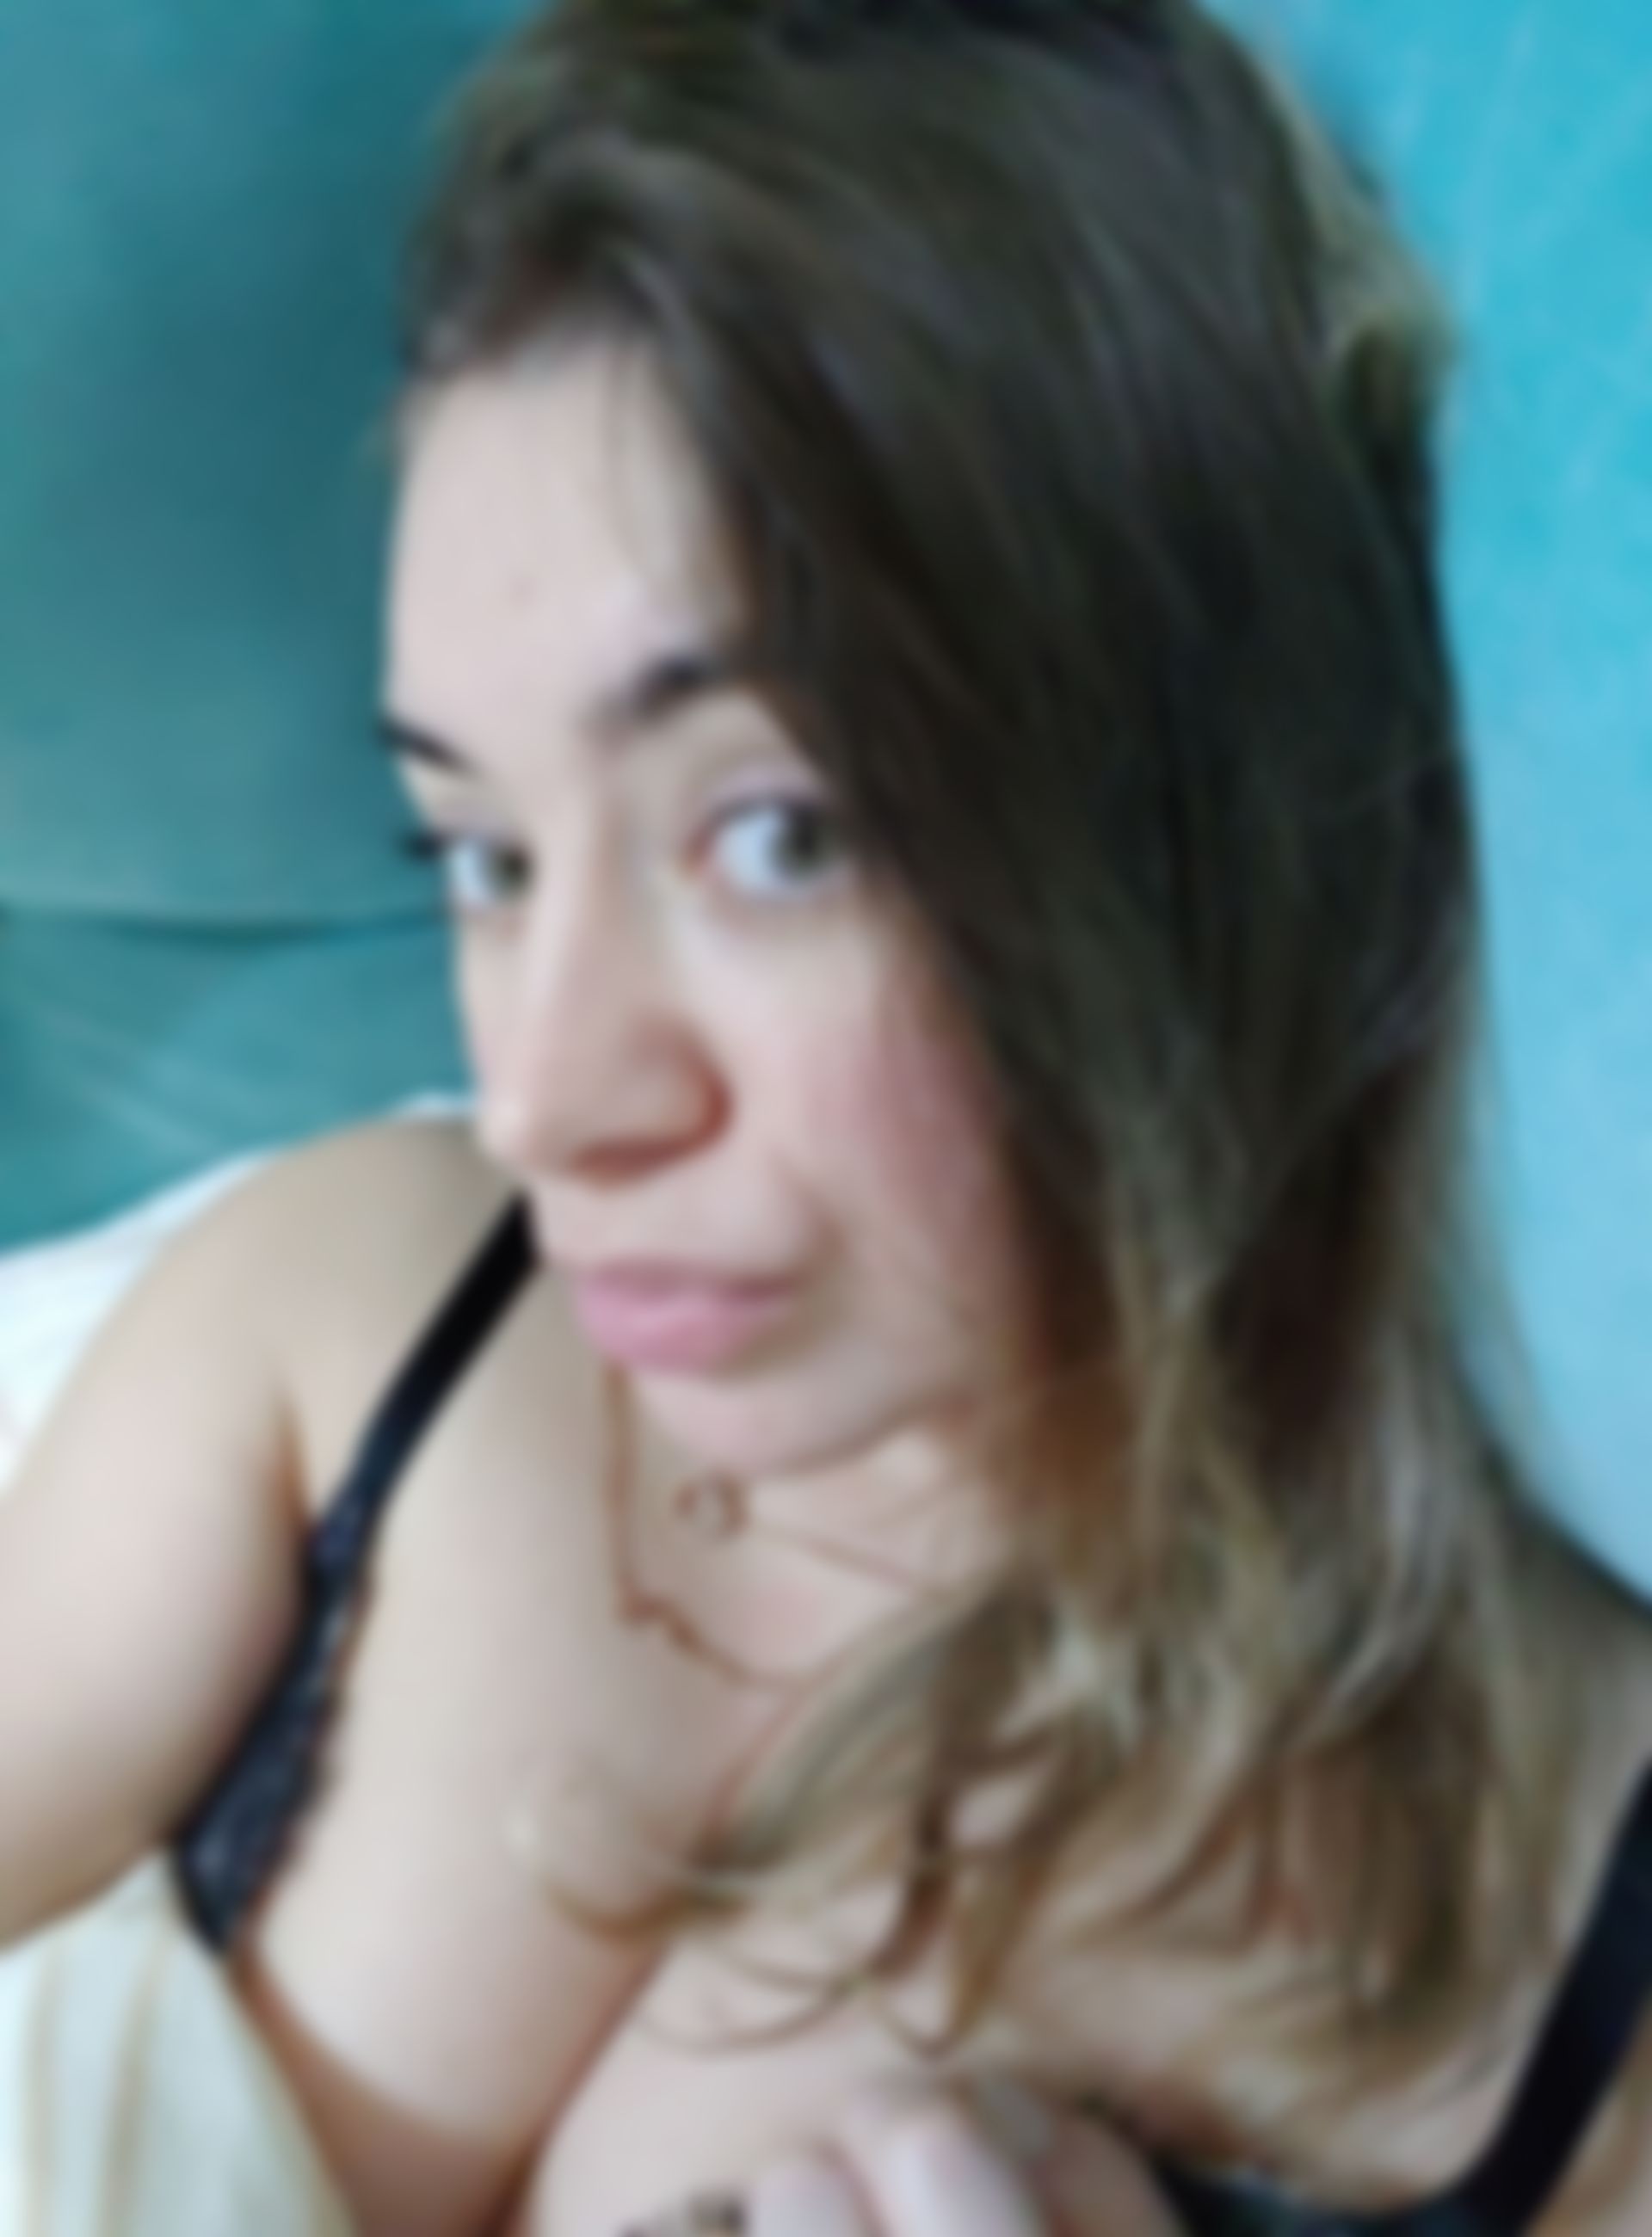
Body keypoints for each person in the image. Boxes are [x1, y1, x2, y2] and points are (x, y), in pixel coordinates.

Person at [3, 2, 1651, 2233]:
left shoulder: (1543, 1936)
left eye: (774, 835)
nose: (548, 1102)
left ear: (1190, 817)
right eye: (483, 856)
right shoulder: (370, 1318)